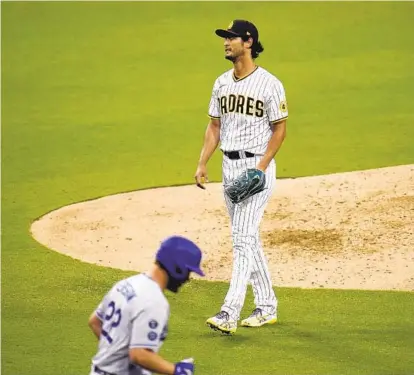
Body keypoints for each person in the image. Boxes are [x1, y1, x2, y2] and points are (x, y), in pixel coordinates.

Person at [194, 19, 288, 334]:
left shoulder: (270, 84)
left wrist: (261, 167)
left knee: (241, 240)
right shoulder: (221, 83)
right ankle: (267, 306)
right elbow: (214, 126)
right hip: (229, 168)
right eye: (224, 38)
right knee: (247, 239)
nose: (225, 42)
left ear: (248, 42)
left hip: (256, 169)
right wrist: (202, 162)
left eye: (231, 37)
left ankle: (229, 312)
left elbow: (280, 129)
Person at [87, 235, 205, 375]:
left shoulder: (126, 284)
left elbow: (94, 322)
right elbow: (139, 355)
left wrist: (115, 355)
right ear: (177, 267)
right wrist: (177, 370)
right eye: (188, 272)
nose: (187, 279)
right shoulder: (154, 301)